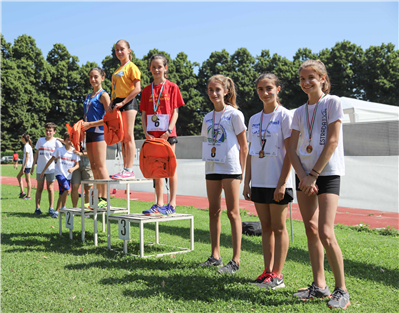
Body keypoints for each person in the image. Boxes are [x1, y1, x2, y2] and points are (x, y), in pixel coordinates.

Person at [287, 60, 350, 309]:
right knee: (311, 230)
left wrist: (314, 174)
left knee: (325, 231)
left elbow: (333, 141)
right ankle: (319, 285)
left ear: (323, 78)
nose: (305, 82)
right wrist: (303, 176)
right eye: (302, 78)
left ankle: (341, 289)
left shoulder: (333, 103)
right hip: (304, 175)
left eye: (311, 77)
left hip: (327, 173)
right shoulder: (298, 112)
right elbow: (291, 148)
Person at [243, 73, 293, 289]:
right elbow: (250, 153)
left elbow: (290, 152)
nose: (265, 93)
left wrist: (282, 183)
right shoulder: (254, 119)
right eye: (260, 89)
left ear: (278, 89)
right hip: (259, 182)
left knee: (279, 227)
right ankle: (267, 271)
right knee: (265, 227)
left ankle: (278, 276)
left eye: (269, 88)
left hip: (278, 181)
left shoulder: (285, 116)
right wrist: (247, 182)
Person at [199, 74, 248, 274]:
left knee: (233, 212)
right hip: (212, 167)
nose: (214, 93)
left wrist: (243, 173)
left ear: (226, 91)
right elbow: (207, 141)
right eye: (210, 90)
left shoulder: (235, 114)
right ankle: (215, 255)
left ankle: (235, 260)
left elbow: (244, 146)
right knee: (213, 211)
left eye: (217, 90)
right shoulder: (207, 117)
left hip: (230, 168)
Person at [140, 54, 185, 216]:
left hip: (168, 134)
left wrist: (168, 131)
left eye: (159, 66)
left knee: (171, 168)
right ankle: (158, 203)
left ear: (165, 68)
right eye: (153, 67)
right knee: (156, 169)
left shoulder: (173, 87)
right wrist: (145, 131)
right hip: (153, 136)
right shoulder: (146, 90)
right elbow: (144, 113)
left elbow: (175, 112)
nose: (156, 69)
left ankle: (172, 203)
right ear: (150, 69)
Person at [108, 39, 141, 180]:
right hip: (117, 104)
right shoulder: (117, 70)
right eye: (117, 50)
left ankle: (129, 169)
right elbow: (115, 89)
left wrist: (123, 102)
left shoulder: (131, 67)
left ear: (129, 50)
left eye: (122, 49)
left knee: (128, 136)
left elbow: (137, 89)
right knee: (121, 139)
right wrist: (111, 103)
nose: (119, 52)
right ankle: (124, 169)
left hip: (128, 103)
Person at [82, 67, 111, 208]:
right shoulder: (88, 96)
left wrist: (90, 124)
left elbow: (109, 117)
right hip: (89, 133)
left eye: (96, 77)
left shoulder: (104, 95)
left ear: (102, 78)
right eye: (91, 77)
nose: (93, 79)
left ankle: (105, 198)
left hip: (100, 132)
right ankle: (98, 197)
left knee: (101, 166)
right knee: (93, 166)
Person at [41, 132, 80, 218]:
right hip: (59, 174)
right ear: (65, 140)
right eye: (69, 139)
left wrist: (72, 169)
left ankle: (59, 209)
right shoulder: (59, 150)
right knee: (67, 189)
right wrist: (43, 171)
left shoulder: (74, 152)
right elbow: (51, 160)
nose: (70, 141)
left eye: (72, 140)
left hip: (68, 176)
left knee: (62, 192)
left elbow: (77, 165)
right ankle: (59, 209)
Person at [31, 122, 63, 215]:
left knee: (50, 188)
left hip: (51, 169)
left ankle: (51, 208)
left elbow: (60, 154)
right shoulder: (40, 140)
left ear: (54, 131)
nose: (48, 132)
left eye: (50, 131)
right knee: (39, 188)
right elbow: (36, 153)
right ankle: (37, 208)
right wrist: (33, 165)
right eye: (46, 130)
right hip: (40, 168)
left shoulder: (57, 142)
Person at [17, 133, 33, 200]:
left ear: (23, 138)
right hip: (26, 165)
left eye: (21, 137)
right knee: (18, 176)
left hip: (27, 165)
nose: (20, 138)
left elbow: (27, 158)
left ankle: (28, 195)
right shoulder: (27, 146)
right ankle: (22, 192)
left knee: (28, 180)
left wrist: (23, 167)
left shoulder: (27, 146)